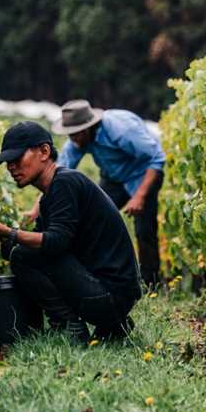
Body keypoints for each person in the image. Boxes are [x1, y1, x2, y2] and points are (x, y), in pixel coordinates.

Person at [0, 121, 142, 343]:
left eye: (17, 158)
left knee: (21, 256)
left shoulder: (65, 183)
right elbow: (42, 247)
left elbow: (55, 242)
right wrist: (0, 239)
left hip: (109, 296)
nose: (11, 167)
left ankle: (69, 326)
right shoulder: (54, 192)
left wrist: (6, 231)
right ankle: (113, 325)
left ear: (44, 151)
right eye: (7, 162)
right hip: (112, 295)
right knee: (23, 252)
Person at [44, 99, 165, 290]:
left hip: (143, 173)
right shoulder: (78, 140)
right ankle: (98, 275)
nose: (72, 140)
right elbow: (56, 172)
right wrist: (38, 207)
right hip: (113, 177)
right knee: (92, 217)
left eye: (74, 135)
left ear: (85, 129)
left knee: (144, 230)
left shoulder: (122, 131)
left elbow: (157, 159)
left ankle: (152, 285)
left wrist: (139, 196)